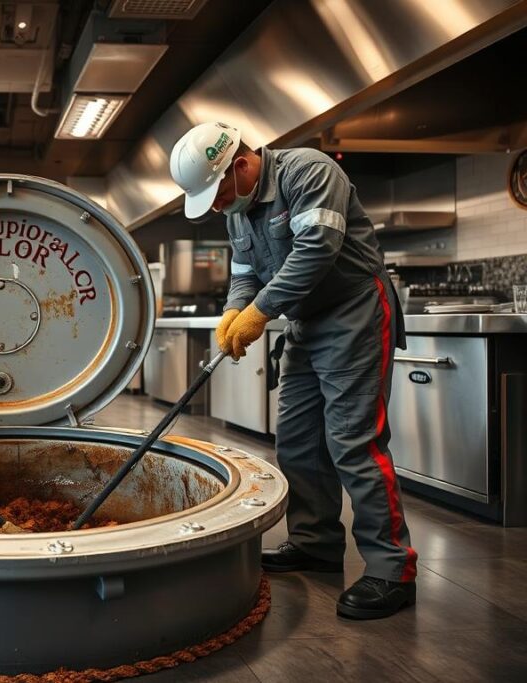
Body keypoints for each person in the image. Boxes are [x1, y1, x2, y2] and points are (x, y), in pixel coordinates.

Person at [169, 122, 418, 619]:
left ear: (240, 166)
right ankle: (317, 544)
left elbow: (316, 250)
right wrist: (234, 311)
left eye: (216, 194)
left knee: (353, 441)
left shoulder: (307, 171)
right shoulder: (237, 214)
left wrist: (260, 312)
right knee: (298, 439)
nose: (216, 207)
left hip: (354, 312)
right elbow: (243, 273)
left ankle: (393, 570)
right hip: (305, 320)